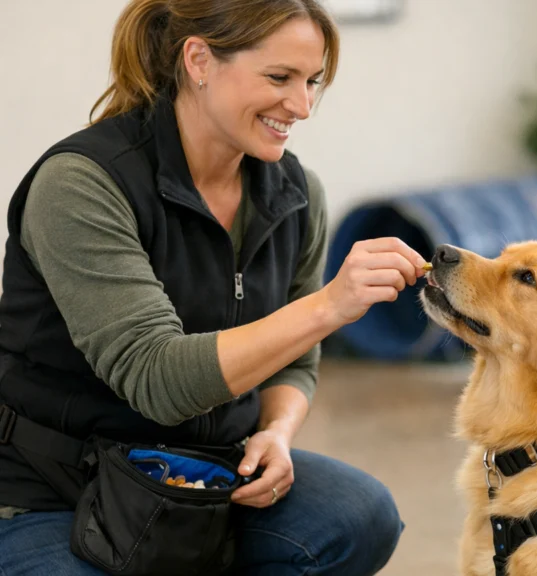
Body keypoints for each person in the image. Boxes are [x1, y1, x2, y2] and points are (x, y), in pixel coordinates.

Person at [0, 0, 423, 574]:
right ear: (198, 60)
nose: (300, 106)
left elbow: (294, 360)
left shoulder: (296, 195)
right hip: (54, 491)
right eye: (279, 78)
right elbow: (157, 379)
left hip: (204, 473)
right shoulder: (81, 185)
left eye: (311, 82)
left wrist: (276, 432)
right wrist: (329, 306)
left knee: (360, 516)